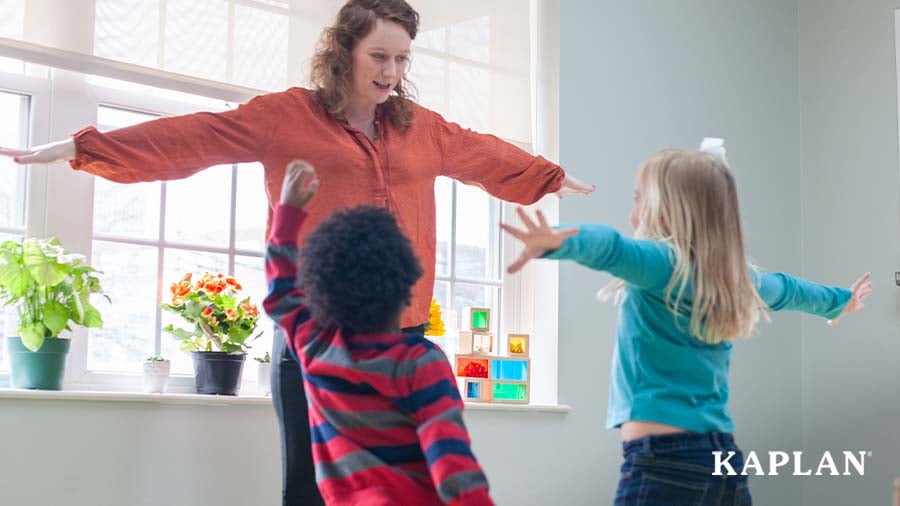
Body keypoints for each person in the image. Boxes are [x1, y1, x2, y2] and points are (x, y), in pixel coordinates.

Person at [0, 1, 592, 503]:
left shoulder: (423, 128)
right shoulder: (286, 117)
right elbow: (191, 137)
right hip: (316, 338)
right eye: (379, 56)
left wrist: (547, 176)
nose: (392, 71)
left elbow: (483, 153)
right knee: (311, 488)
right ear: (345, 52)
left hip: (402, 335)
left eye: (403, 57)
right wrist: (83, 148)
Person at [500, 143, 872, 505]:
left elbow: (611, 248)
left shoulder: (663, 264)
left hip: (664, 461)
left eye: (637, 199)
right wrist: (840, 302)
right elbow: (790, 290)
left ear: (663, 211)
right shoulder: (736, 278)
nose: (633, 212)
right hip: (723, 458)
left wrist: (559, 242)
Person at [264, 160, 493, 505]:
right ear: (404, 287)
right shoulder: (421, 362)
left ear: (322, 291)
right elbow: (450, 457)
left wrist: (287, 212)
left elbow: (281, 292)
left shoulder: (317, 350)